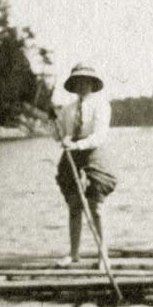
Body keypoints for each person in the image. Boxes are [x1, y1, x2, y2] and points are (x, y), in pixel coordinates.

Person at [53, 64, 117, 265]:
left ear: (92, 84)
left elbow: (99, 136)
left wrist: (77, 144)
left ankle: (103, 256)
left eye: (85, 81)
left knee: (96, 206)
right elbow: (61, 135)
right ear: (73, 85)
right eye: (77, 82)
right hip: (71, 157)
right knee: (74, 206)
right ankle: (74, 254)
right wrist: (60, 134)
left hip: (93, 155)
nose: (82, 85)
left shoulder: (101, 106)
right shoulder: (67, 110)